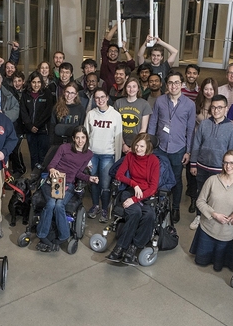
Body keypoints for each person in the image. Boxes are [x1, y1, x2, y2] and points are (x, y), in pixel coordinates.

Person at [148, 72, 196, 224]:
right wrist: (149, 143)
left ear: (181, 84)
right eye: (170, 83)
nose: (173, 86)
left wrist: (188, 151)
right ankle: (157, 205)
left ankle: (175, 208)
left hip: (179, 148)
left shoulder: (190, 104)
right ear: (166, 85)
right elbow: (153, 122)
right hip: (160, 147)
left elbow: (190, 129)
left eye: (176, 82)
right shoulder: (160, 101)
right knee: (158, 177)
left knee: (176, 179)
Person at [36, 127, 94, 252]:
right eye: (77, 137)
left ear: (86, 139)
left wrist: (90, 178)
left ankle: (63, 236)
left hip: (68, 183)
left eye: (83, 137)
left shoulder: (88, 154)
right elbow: (51, 164)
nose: (80, 141)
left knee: (59, 205)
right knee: (51, 203)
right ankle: (42, 235)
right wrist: (52, 170)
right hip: (53, 180)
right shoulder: (64, 148)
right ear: (73, 138)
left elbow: (78, 172)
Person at [106, 133, 160, 265]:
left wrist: (135, 200)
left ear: (148, 147)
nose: (138, 148)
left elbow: (153, 188)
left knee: (149, 216)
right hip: (130, 191)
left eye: (142, 146)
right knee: (135, 212)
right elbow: (119, 175)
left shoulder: (154, 161)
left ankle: (133, 248)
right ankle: (120, 248)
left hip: (146, 195)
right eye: (136, 145)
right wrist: (134, 184)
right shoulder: (130, 156)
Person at [190, 94, 233, 229]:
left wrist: (229, 170)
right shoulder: (204, 124)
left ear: (225, 109)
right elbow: (196, 145)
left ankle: (213, 219)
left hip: (220, 169)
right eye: (213, 107)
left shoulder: (231, 128)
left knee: (217, 196)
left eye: (219, 107)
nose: (216, 110)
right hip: (202, 166)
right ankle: (199, 216)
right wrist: (193, 163)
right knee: (202, 193)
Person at [84, 88, 123, 222]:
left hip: (108, 154)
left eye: (102, 97)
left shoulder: (115, 115)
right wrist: (86, 157)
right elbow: (85, 137)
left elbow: (118, 139)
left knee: (105, 185)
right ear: (94, 100)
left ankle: (105, 209)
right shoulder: (90, 114)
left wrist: (117, 160)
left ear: (107, 98)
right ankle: (95, 206)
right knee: (94, 182)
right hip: (92, 154)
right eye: (97, 98)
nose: (100, 100)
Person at [21, 73, 53, 171]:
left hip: (43, 129)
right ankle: (33, 178)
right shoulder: (25, 94)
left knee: (43, 155)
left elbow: (48, 111)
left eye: (39, 82)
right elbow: (23, 111)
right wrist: (30, 126)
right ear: (30, 83)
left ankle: (42, 178)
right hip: (30, 130)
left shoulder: (46, 93)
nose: (36, 85)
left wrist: (37, 125)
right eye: (34, 82)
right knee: (33, 155)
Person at [115, 77, 151, 154]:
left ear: (138, 88)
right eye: (129, 86)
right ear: (125, 88)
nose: (131, 89)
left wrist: (134, 146)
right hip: (120, 142)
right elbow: (115, 126)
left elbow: (143, 129)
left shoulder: (145, 104)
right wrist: (123, 144)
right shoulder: (118, 103)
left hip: (137, 145)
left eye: (134, 86)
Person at [99, 21, 134, 89]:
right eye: (111, 51)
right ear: (107, 53)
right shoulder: (105, 62)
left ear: (118, 54)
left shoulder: (121, 65)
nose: (113, 53)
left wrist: (124, 49)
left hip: (119, 93)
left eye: (115, 51)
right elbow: (106, 41)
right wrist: (116, 26)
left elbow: (132, 64)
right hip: (104, 94)